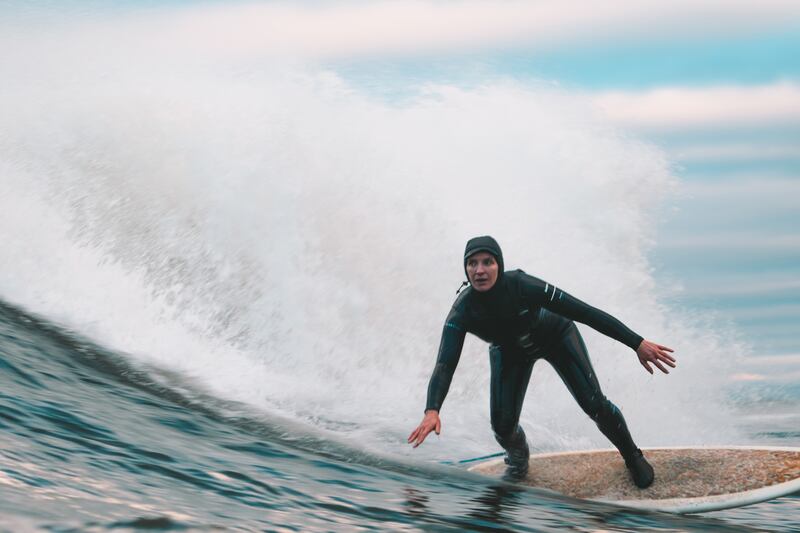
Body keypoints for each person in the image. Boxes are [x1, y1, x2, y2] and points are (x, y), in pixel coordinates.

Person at [407, 236, 676, 487]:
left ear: (499, 264)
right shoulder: (462, 311)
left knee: (594, 404)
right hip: (509, 352)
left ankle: (632, 455)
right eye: (472, 263)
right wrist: (432, 409)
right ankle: (518, 461)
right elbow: (445, 363)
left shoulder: (523, 286)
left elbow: (585, 312)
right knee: (502, 426)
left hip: (556, 336)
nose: (479, 270)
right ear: (465, 269)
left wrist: (636, 342)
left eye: (487, 262)